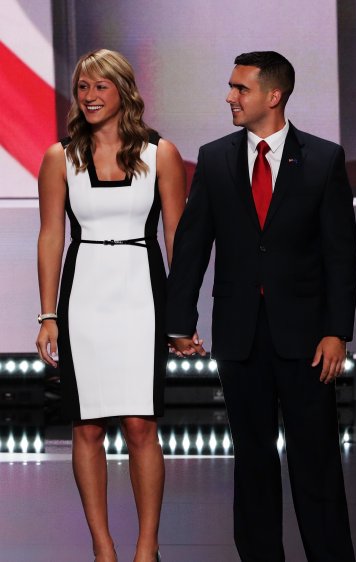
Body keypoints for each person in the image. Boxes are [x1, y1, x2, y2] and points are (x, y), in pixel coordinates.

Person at [166, 51, 356, 561]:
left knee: (315, 461)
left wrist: (338, 330)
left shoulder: (322, 159)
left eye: (240, 88)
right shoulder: (213, 158)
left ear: (273, 96)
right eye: (231, 87)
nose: (230, 97)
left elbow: (340, 253)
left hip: (307, 339)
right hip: (239, 333)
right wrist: (179, 321)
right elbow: (192, 244)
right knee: (251, 462)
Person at [34, 48, 186, 562]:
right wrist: (48, 314)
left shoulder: (159, 153)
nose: (91, 96)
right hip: (84, 297)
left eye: (101, 86)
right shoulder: (61, 157)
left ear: (123, 90)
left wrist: (182, 316)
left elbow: (176, 238)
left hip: (142, 293)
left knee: (141, 424)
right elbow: (51, 235)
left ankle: (147, 547)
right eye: (83, 87)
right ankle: (103, 548)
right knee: (86, 424)